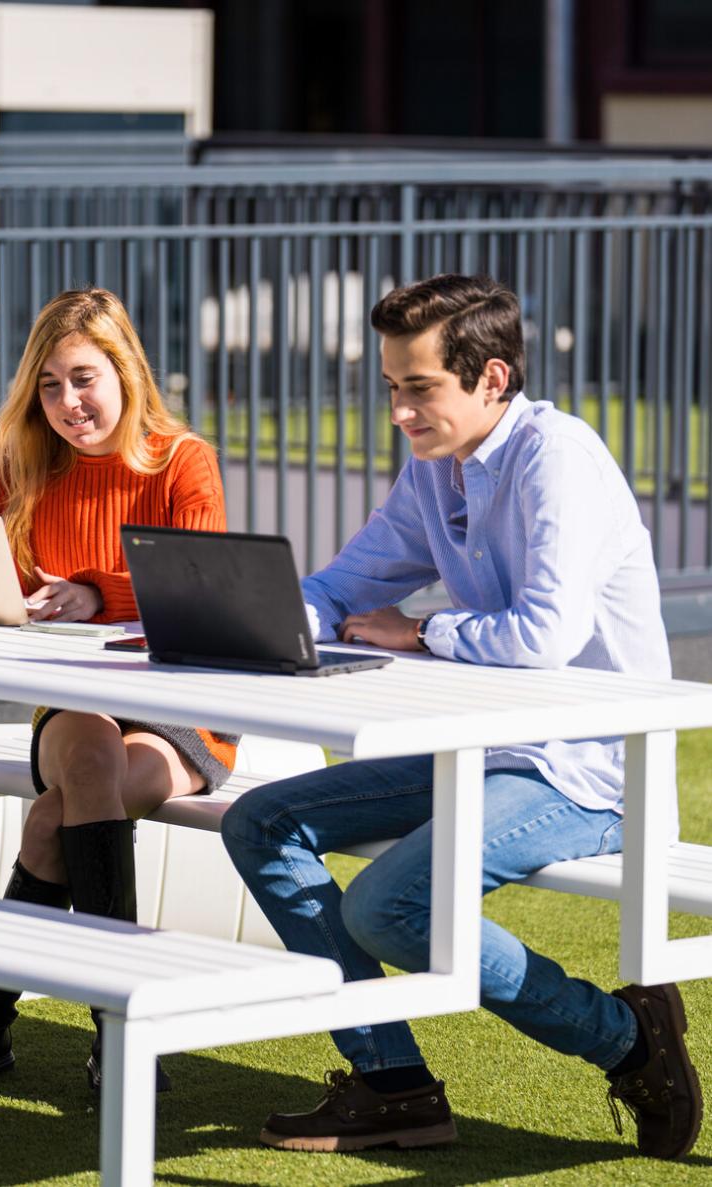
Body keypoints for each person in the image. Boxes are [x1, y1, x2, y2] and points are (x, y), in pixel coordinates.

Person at [221, 273, 703, 1159]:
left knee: (390, 907)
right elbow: (341, 586)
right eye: (393, 388)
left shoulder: (559, 457)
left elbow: (546, 634)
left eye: (420, 388)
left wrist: (423, 629)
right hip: (486, 751)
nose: (400, 412)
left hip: (593, 770)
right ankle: (396, 1085)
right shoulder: (433, 467)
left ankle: (624, 1039)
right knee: (262, 818)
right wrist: (244, 613)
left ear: (493, 380)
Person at [0, 287, 237, 1095]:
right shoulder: (22, 464)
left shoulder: (179, 459)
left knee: (56, 811)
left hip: (180, 706)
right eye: (50, 385)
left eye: (84, 378)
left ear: (125, 372)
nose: (68, 402)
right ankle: (126, 1033)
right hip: (74, 701)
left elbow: (195, 583)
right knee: (88, 756)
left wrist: (97, 589)